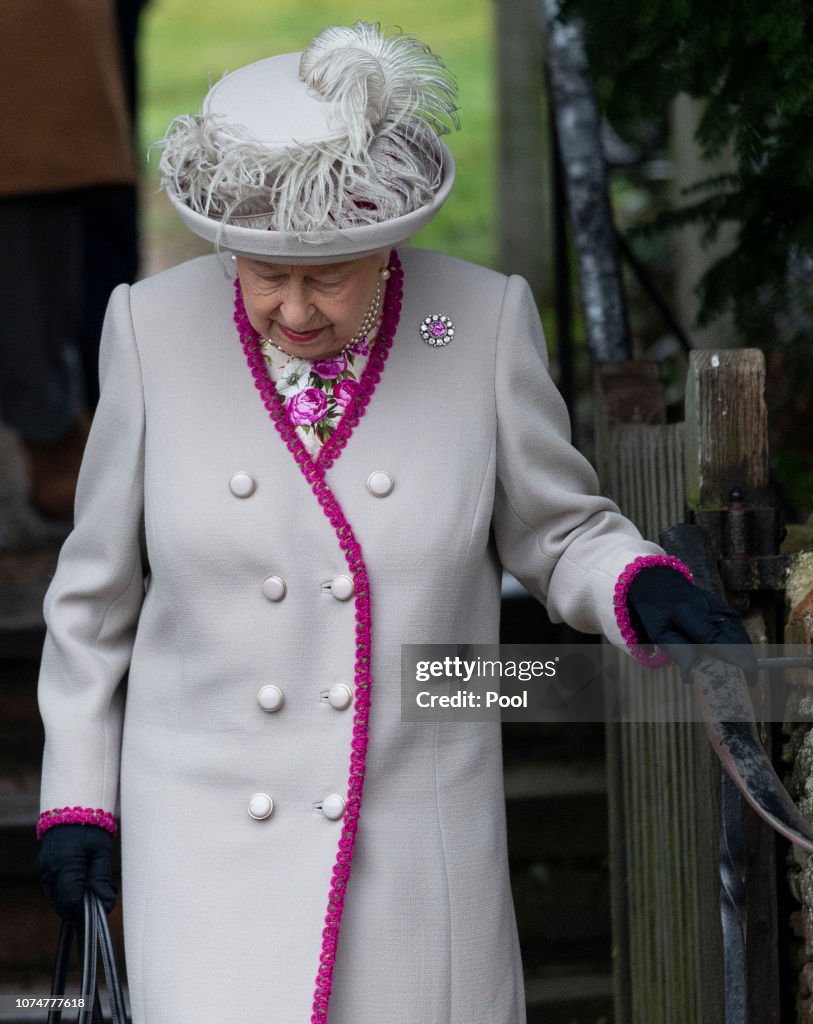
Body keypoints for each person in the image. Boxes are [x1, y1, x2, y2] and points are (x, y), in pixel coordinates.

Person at [35, 22, 752, 1024]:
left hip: (415, 861)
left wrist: (634, 581)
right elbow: (90, 604)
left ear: (385, 240)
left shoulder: (479, 321)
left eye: (326, 274)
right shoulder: (147, 329)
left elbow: (556, 530)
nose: (292, 309)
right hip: (204, 861)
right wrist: (78, 798)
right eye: (262, 272)